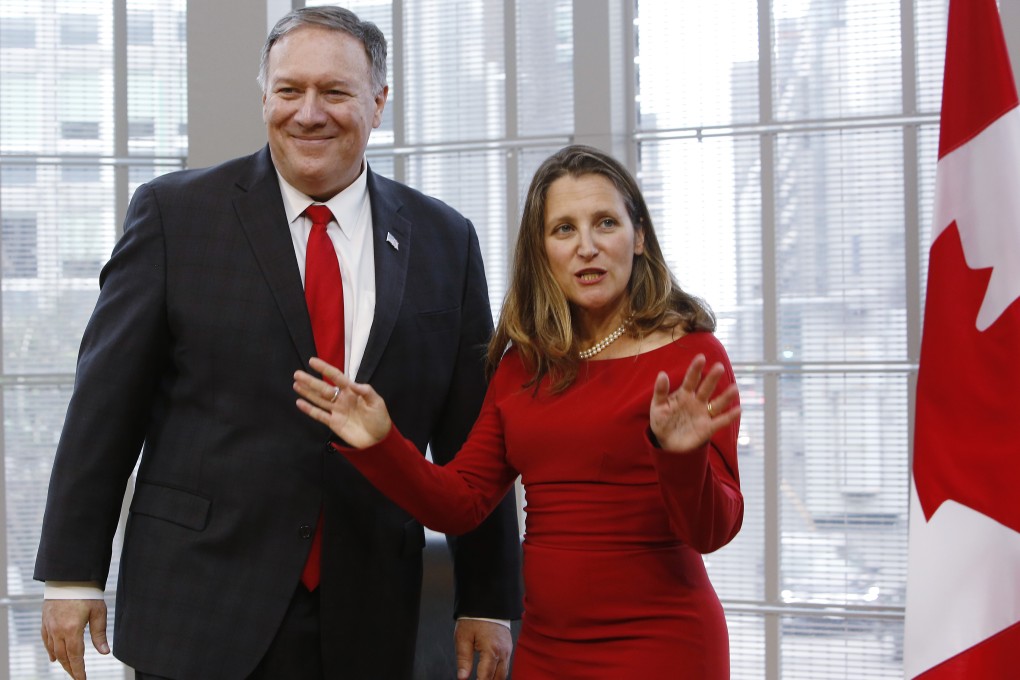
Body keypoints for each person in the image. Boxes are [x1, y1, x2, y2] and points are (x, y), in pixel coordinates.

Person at [34, 6, 522, 680]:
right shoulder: (175, 217)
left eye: (335, 92)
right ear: (264, 95)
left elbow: (474, 442)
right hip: (201, 601)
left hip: (371, 608)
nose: (309, 113)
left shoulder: (447, 240)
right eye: (289, 90)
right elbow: (104, 406)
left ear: (379, 102)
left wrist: (489, 601)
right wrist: (71, 574)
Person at [294, 144, 744, 678]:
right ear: (541, 249)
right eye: (564, 229)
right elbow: (460, 504)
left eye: (605, 223)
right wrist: (381, 441)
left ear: (639, 236)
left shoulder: (692, 355)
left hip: (664, 644)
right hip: (548, 651)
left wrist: (682, 457)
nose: (587, 247)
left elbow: (712, 532)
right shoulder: (523, 365)